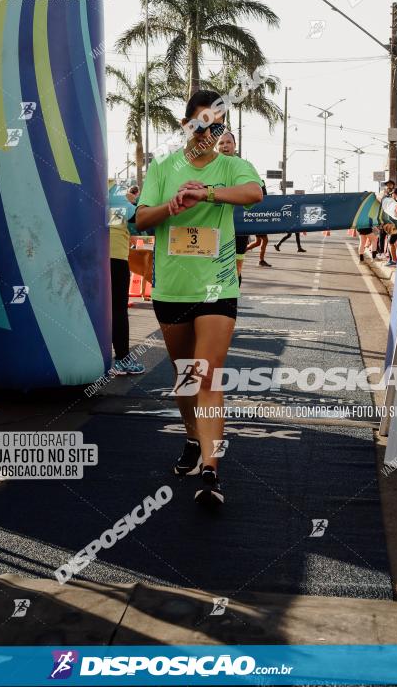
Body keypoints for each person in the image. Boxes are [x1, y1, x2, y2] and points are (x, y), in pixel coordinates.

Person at [136, 90, 263, 507]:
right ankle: (193, 437)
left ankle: (211, 469)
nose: (209, 132)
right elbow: (141, 218)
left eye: (218, 125)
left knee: (207, 374)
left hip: (218, 286)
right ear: (186, 124)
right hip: (173, 288)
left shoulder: (232, 165)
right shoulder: (163, 166)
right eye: (202, 123)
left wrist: (206, 194)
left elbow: (253, 193)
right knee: (186, 378)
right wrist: (172, 206)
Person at [109, 184, 145, 375]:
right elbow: (136, 217)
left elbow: (114, 220)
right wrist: (132, 201)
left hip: (91, 256)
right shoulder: (114, 190)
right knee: (118, 309)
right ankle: (122, 359)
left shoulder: (95, 187)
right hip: (114, 257)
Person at [217, 130, 249, 284]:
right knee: (216, 268)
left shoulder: (244, 166)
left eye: (228, 142)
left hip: (239, 228)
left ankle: (232, 303)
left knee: (236, 270)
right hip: (215, 228)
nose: (225, 146)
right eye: (221, 143)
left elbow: (260, 193)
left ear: (235, 145)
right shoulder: (210, 168)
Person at [378, 180, 395, 257]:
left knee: (390, 238)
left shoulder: (394, 195)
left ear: (393, 185)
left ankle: (389, 255)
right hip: (384, 219)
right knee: (382, 236)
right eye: (387, 185)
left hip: (392, 220)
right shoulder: (383, 195)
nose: (388, 186)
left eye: (390, 185)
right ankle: (381, 252)